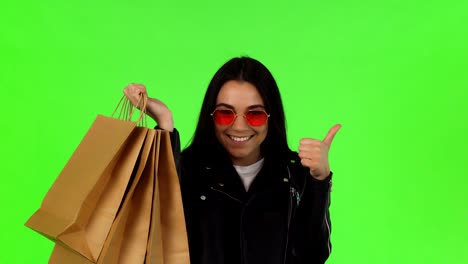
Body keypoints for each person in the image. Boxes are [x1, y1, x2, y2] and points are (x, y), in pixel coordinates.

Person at [124, 57, 341, 264]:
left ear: (270, 117)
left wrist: (319, 181)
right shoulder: (189, 168)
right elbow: (155, 230)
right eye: (225, 113)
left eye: (254, 114)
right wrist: (164, 124)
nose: (238, 127)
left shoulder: (295, 173)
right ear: (211, 116)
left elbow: (313, 255)